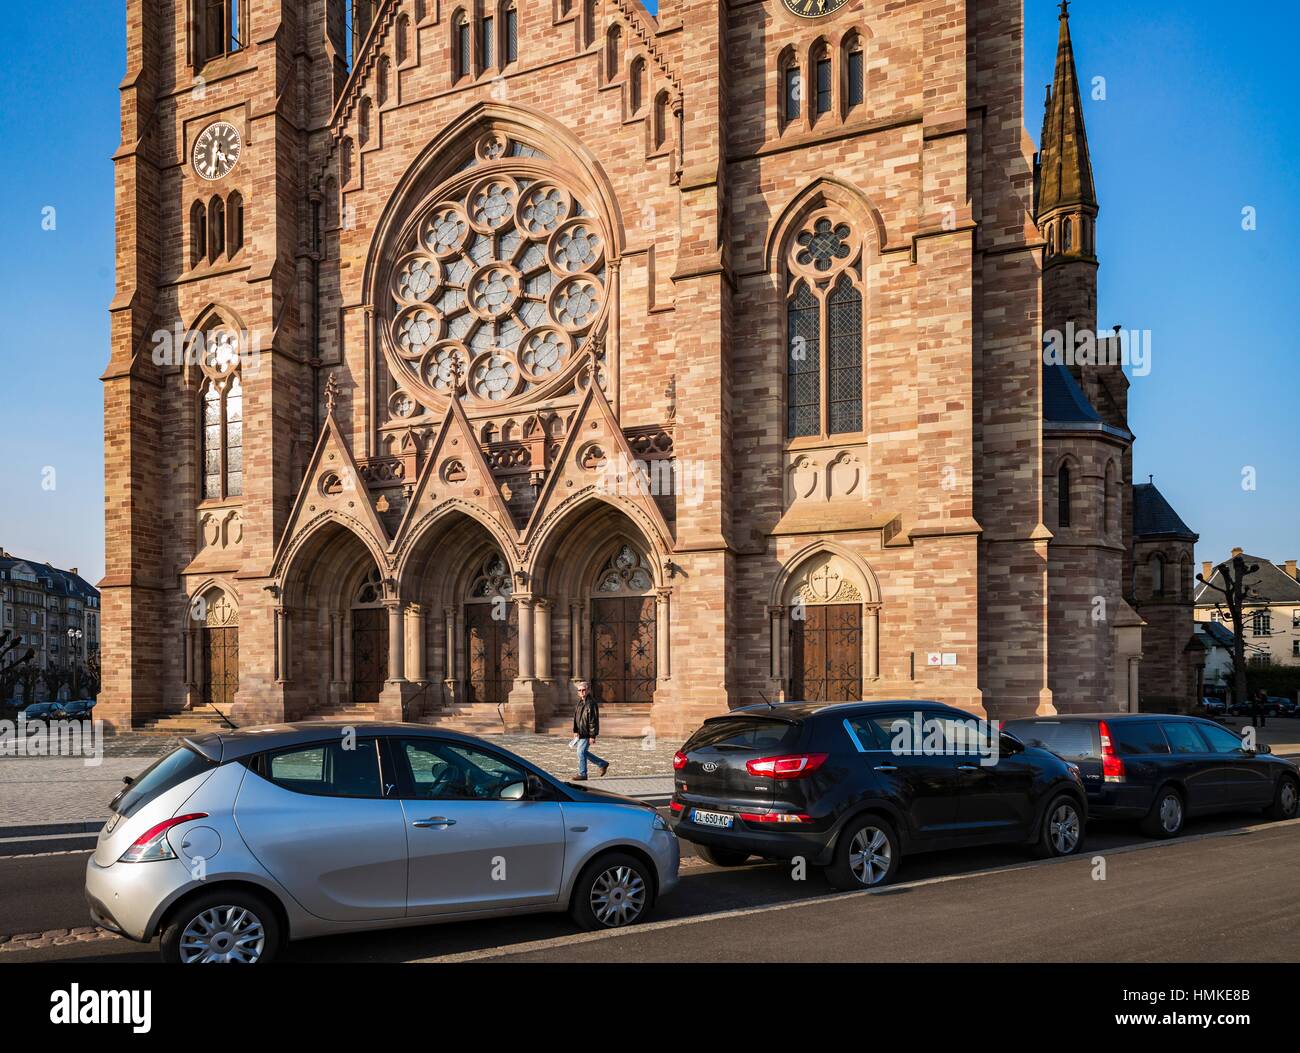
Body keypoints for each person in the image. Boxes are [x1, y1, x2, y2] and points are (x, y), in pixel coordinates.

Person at [572, 680, 609, 780]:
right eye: (580, 690)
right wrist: (575, 731)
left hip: (587, 733)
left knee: (580, 752)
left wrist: (592, 736)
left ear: (588, 690)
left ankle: (583, 774)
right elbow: (576, 718)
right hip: (580, 733)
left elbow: (593, 721)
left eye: (584, 690)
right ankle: (602, 764)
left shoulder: (591, 703)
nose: (582, 692)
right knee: (582, 752)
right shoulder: (580, 703)